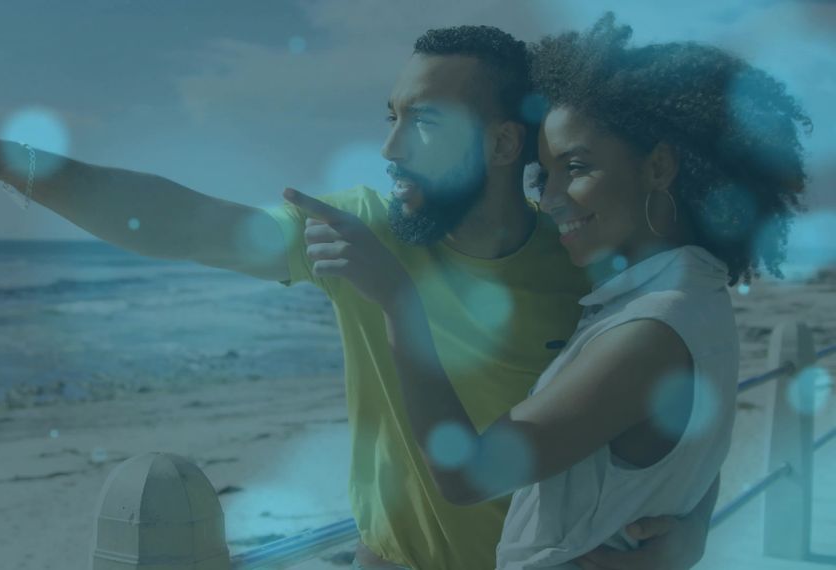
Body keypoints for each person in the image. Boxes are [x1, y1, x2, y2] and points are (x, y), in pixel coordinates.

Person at [0, 24, 718, 570]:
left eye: (424, 122)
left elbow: (679, 411)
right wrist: (0, 158)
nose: (391, 147)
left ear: (497, 145)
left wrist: (688, 535)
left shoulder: (583, 265)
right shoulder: (358, 230)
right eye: (389, 115)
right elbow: (182, 219)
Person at [281, 14, 811, 569]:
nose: (552, 198)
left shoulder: (651, 330)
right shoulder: (689, 296)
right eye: (546, 175)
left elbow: (467, 475)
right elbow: (684, 445)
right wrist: (693, 526)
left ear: (658, 166)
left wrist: (399, 301)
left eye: (576, 168)